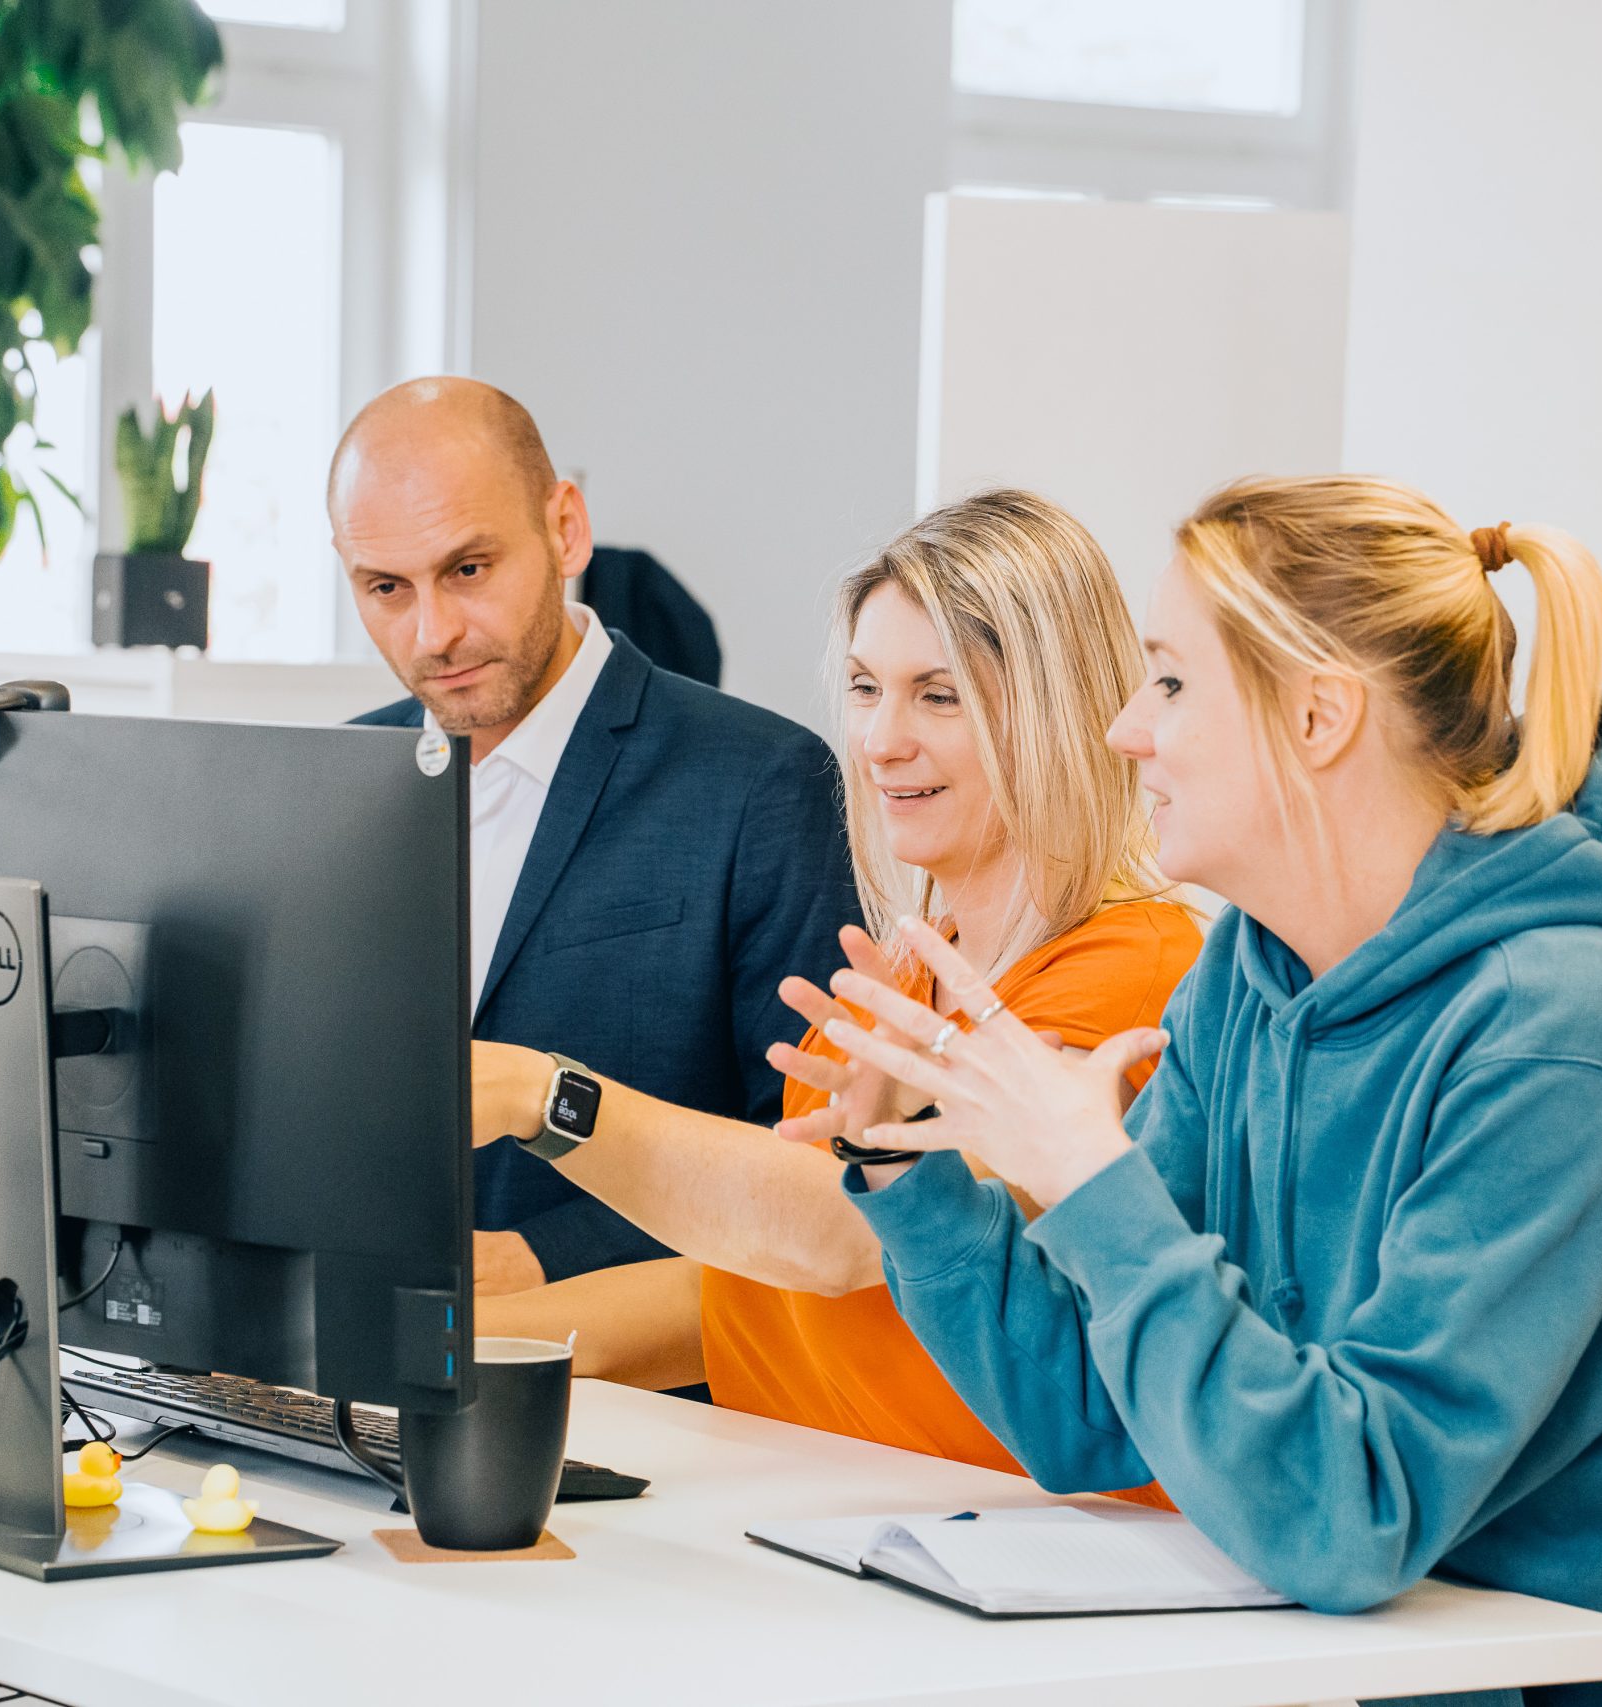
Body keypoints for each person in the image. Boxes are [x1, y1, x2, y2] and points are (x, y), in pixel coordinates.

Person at [813, 476, 1602, 1703]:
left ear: (1318, 718)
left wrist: (1093, 1180)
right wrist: (912, 1172)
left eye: (1168, 683)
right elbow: (1086, 1421)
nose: (1122, 731)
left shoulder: (1573, 1033)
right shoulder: (1253, 979)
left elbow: (1345, 1515)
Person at [472, 490, 1202, 1502]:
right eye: (865, 688)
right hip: (811, 1519)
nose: (880, 739)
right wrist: (422, 1348)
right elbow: (749, 1288)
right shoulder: (903, 979)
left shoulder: (1130, 972)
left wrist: (532, 1094)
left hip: (1000, 1557)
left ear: (1055, 712)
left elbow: (837, 1237)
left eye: (938, 696)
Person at [332, 377, 856, 1293]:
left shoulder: (762, 782)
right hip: (344, 1383)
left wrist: (541, 1260)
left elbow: (808, 1166)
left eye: (468, 568)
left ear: (564, 528)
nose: (435, 633)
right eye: (385, 588)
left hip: (644, 1409)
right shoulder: (335, 783)